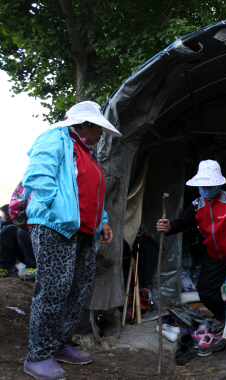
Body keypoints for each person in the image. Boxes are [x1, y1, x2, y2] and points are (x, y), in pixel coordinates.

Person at [21, 101, 122, 380]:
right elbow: (38, 177)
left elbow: (93, 190)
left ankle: (60, 343)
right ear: (86, 125)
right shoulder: (55, 139)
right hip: (56, 227)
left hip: (84, 231)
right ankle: (38, 355)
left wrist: (101, 220)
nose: (102, 134)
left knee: (78, 287)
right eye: (100, 129)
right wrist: (60, 211)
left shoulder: (87, 152)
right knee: (54, 289)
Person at [156, 159, 226, 358]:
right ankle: (225, 317)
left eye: (211, 185)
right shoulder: (196, 205)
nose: (207, 188)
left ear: (219, 184)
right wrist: (168, 228)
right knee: (206, 290)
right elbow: (181, 223)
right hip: (215, 254)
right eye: (204, 185)